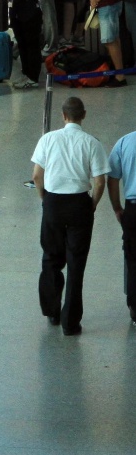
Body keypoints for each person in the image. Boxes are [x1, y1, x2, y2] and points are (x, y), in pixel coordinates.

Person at [31, 96, 109, 335]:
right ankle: (70, 322)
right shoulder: (92, 143)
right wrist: (92, 205)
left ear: (63, 116)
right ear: (83, 115)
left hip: (53, 202)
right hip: (79, 204)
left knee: (51, 257)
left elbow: (36, 176)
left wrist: (46, 200)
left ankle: (52, 310)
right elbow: (99, 181)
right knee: (76, 264)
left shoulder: (48, 139)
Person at [108, 129, 136, 325]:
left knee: (133, 259)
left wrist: (117, 207)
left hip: (133, 210)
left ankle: (135, 308)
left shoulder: (125, 142)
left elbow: (112, 178)